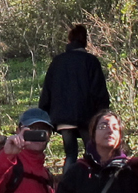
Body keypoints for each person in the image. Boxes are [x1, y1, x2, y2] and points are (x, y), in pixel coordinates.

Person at [38, 23, 110, 170]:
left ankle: (67, 188)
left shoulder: (57, 62)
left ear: (69, 41)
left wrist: (44, 114)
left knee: (70, 155)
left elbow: (47, 90)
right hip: (87, 117)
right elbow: (99, 91)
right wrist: (102, 115)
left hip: (64, 119)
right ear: (85, 41)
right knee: (93, 154)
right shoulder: (90, 61)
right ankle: (94, 186)